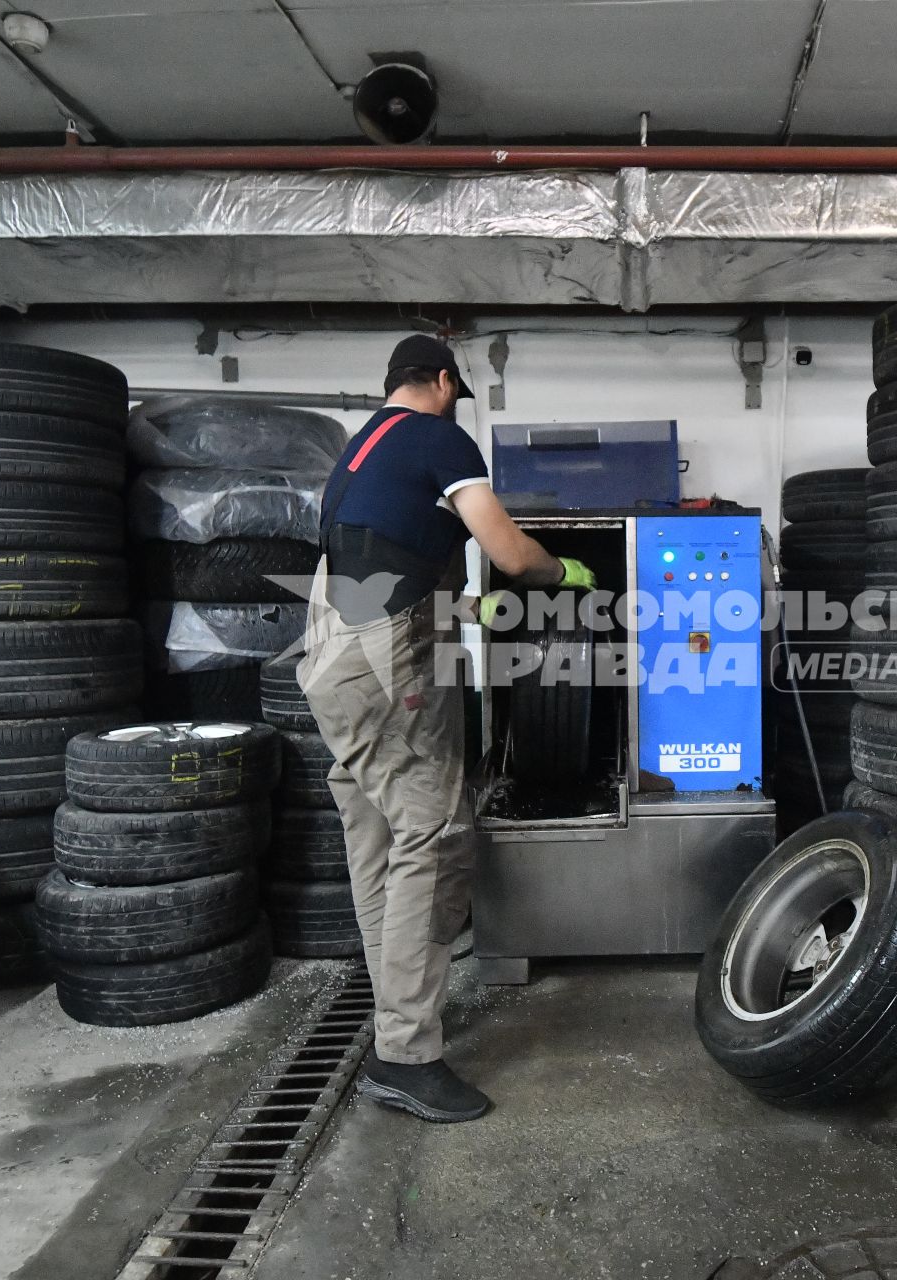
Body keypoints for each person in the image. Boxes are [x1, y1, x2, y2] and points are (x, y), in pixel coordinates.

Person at [298, 333, 594, 1123]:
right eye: (455, 390)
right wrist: (557, 570)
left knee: (378, 839)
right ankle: (406, 1055)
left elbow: (370, 573)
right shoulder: (438, 434)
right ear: (439, 381)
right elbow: (504, 545)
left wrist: (469, 608)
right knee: (434, 836)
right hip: (390, 676)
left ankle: (399, 1009)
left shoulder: (357, 454)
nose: (455, 401)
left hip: (334, 671)